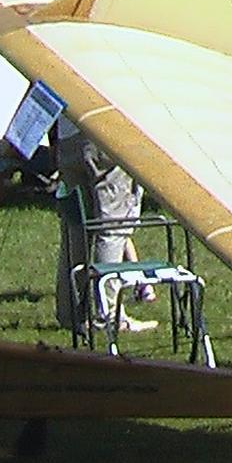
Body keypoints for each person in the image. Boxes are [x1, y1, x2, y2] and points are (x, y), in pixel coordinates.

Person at [52, 120, 153, 336]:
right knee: (112, 230)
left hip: (68, 136)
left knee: (75, 227)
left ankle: (69, 313)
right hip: (106, 133)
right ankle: (107, 316)